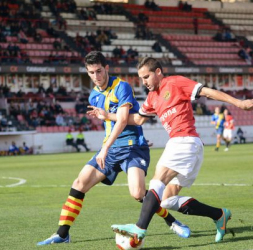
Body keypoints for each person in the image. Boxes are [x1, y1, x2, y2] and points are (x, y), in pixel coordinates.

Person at [88, 57, 253, 244]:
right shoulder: (152, 98)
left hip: (185, 141)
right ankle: (219, 215)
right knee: (166, 201)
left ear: (158, 72)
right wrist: (108, 115)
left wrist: (240, 103)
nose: (143, 82)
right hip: (187, 146)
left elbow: (208, 92)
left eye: (146, 76)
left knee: (157, 180)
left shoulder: (175, 82)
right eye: (141, 78)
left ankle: (139, 229)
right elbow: (137, 120)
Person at [37, 52, 189, 246]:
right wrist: (106, 147)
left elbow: (124, 119)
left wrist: (105, 147)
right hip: (110, 150)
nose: (96, 76)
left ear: (107, 68)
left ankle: (172, 221)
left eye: (99, 71)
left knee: (138, 193)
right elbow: (108, 124)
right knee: (79, 183)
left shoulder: (122, 86)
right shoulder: (94, 95)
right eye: (91, 72)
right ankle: (62, 233)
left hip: (132, 148)